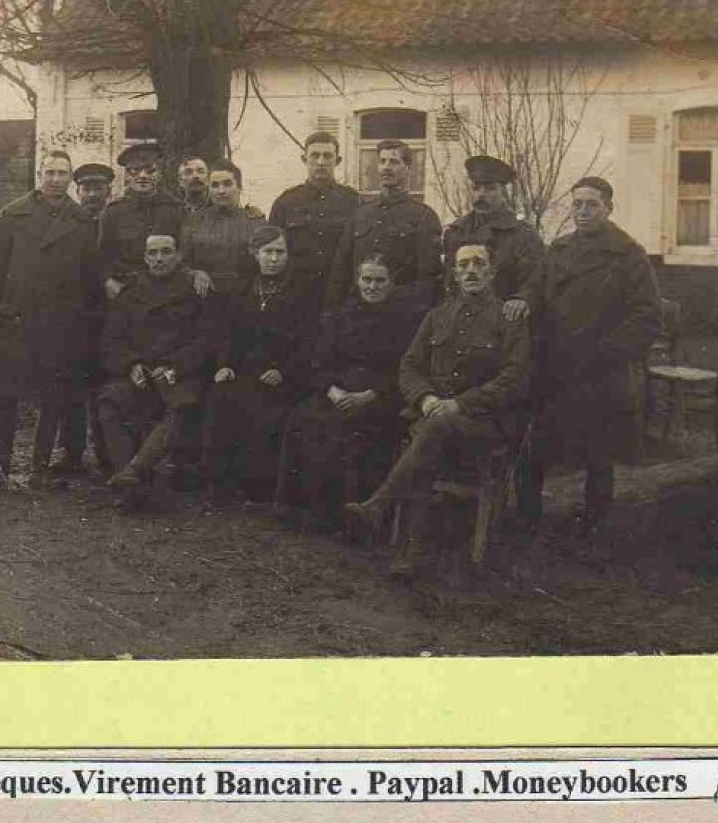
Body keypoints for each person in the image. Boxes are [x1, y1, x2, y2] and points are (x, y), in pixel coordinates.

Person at [344, 244, 532, 574]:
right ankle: (409, 551)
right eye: (463, 265)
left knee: (432, 431)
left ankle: (385, 515)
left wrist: (460, 403)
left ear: (491, 272)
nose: (471, 270)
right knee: (430, 436)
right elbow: (410, 366)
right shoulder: (438, 315)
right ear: (455, 274)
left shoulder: (508, 319)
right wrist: (425, 398)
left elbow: (514, 379)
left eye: (479, 263)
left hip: (484, 423)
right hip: (435, 418)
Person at [524, 176, 662, 532]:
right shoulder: (560, 249)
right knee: (535, 445)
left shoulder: (627, 253)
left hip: (600, 370)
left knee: (599, 455)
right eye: (577, 205)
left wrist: (608, 351)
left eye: (592, 205)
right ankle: (527, 520)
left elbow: (647, 315)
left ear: (609, 208)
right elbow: (535, 294)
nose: (582, 212)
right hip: (555, 365)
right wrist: (519, 307)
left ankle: (595, 527)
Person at [272, 255, 422, 532]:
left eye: (380, 281)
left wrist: (371, 395)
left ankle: (344, 518)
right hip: (336, 391)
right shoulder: (341, 316)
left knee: (348, 429)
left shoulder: (407, 322)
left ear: (392, 284)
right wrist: (333, 391)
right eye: (367, 279)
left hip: (379, 398)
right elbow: (320, 361)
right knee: (302, 417)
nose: (372, 286)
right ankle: (298, 507)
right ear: (357, 281)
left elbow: (407, 369)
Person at [0, 150, 102, 487]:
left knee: (53, 396)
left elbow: (89, 275)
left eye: (62, 173)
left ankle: (39, 467)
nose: (55, 179)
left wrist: (77, 319)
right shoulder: (12, 214)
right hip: (18, 319)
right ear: (39, 174)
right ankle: (0, 464)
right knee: (6, 394)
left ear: (70, 178)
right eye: (49, 172)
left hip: (60, 324)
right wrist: (6, 307)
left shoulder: (81, 221)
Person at [202, 226, 320, 503]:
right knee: (221, 397)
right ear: (256, 254)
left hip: (283, 374)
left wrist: (284, 371)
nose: (274, 259)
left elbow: (308, 341)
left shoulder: (302, 292)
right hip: (244, 369)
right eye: (268, 252)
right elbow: (228, 334)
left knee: (266, 406)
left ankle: (260, 485)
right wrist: (224, 364)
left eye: (280, 252)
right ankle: (221, 482)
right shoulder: (243, 288)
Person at [95, 233, 214, 502]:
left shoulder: (194, 291)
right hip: (139, 372)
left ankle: (132, 472)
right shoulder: (130, 293)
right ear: (145, 257)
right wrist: (131, 365)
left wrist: (176, 366)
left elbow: (206, 340)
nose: (159, 259)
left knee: (181, 404)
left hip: (178, 373)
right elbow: (112, 340)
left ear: (178, 256)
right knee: (109, 401)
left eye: (166, 252)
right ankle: (129, 478)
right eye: (153, 253)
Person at [324, 139, 442, 313]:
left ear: (408, 169)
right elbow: (340, 271)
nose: (386, 167)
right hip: (357, 314)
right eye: (382, 161)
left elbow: (428, 278)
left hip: (400, 314)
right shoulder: (360, 214)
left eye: (394, 162)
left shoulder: (423, 216)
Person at [54, 161, 116, 474]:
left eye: (99, 188)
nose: (92, 194)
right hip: (74, 315)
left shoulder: (117, 219)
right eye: (86, 188)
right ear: (77, 191)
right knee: (73, 386)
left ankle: (107, 453)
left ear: (109, 191)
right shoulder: (67, 222)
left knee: (106, 383)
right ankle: (72, 453)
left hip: (109, 315)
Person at [441, 155, 545, 321]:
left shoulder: (523, 235)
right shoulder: (456, 231)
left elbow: (534, 281)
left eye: (490, 188)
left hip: (504, 320)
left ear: (503, 192)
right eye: (476, 188)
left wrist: (521, 299)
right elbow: (449, 282)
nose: (481, 195)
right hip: (461, 320)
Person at [268, 131, 361, 298]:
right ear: (304, 159)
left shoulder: (353, 202)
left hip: (340, 294)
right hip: (295, 294)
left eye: (327, 156)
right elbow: (270, 249)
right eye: (314, 156)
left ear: (337, 161)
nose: (320, 162)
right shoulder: (286, 202)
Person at [97, 143, 185, 300]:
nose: (143, 176)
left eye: (150, 170)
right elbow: (102, 255)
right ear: (127, 176)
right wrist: (108, 281)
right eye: (135, 171)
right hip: (127, 290)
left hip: (169, 291)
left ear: (159, 174)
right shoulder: (113, 212)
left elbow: (186, 251)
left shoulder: (176, 209)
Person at [179, 159, 266, 298]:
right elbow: (181, 263)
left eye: (227, 184)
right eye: (214, 185)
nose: (221, 191)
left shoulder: (255, 221)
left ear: (239, 187)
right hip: (206, 298)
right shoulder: (194, 221)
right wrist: (194, 273)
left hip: (247, 298)